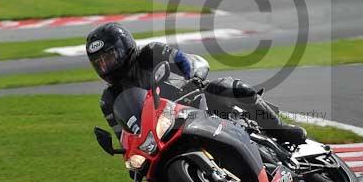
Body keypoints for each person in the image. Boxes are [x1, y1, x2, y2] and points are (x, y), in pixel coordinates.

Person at [86, 22, 307, 145]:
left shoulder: (152, 53)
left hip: (193, 103)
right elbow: (123, 135)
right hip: (164, 132)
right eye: (100, 63)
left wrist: (194, 78)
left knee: (227, 86)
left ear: (125, 47)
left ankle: (279, 128)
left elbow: (186, 62)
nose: (106, 66)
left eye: (110, 57)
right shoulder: (109, 99)